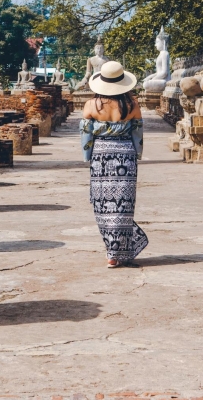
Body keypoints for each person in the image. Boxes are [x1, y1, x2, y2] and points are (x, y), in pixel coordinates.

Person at [80, 61, 147, 268]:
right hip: (125, 157)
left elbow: (86, 137)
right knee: (123, 205)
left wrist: (88, 157)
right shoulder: (133, 105)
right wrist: (137, 155)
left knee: (103, 205)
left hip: (101, 157)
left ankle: (111, 252)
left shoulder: (91, 105)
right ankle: (121, 251)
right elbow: (138, 136)